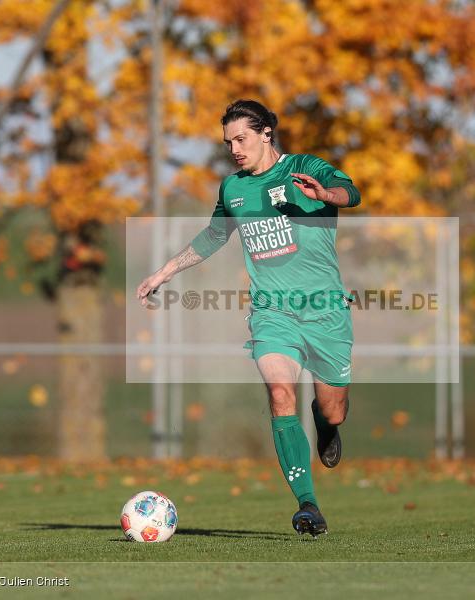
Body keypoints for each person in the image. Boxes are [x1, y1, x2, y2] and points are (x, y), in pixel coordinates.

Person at [137, 99, 360, 537]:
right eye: (228, 142)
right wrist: (163, 272)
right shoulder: (233, 189)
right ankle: (308, 505)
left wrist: (326, 195)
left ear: (266, 134)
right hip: (271, 312)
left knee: (333, 411)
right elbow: (214, 235)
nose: (234, 148)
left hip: (325, 311)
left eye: (241, 138)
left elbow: (351, 192)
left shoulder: (307, 167)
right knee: (280, 394)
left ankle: (325, 422)